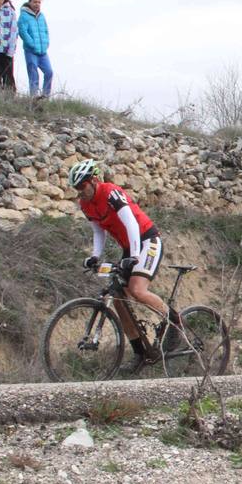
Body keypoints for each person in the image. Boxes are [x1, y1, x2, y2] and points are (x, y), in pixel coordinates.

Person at [69, 159, 184, 373]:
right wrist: (95, 256)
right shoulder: (85, 205)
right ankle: (140, 353)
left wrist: (131, 255)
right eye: (76, 188)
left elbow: (131, 222)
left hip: (147, 240)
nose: (79, 192)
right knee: (120, 300)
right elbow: (98, 232)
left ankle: (175, 321)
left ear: (94, 180)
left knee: (137, 290)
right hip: (129, 246)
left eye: (82, 186)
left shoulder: (110, 192)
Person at [17, 0, 52, 98]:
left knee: (49, 72)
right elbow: (23, 32)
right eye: (35, 2)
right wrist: (32, 44)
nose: (37, 4)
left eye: (39, 2)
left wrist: (46, 44)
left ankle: (45, 96)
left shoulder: (42, 16)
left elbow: (45, 31)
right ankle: (34, 97)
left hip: (43, 52)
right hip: (31, 51)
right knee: (33, 74)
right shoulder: (24, 15)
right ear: (30, 2)